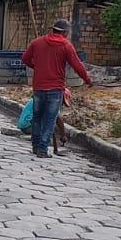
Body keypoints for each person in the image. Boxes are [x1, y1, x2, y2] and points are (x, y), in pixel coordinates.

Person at [21, 19, 92, 157]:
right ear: (65, 32)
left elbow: (25, 58)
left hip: (39, 87)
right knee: (49, 120)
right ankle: (42, 149)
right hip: (55, 88)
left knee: (37, 118)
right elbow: (77, 65)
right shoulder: (66, 45)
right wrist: (87, 79)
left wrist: (36, 66)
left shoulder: (37, 42)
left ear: (53, 29)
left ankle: (35, 146)